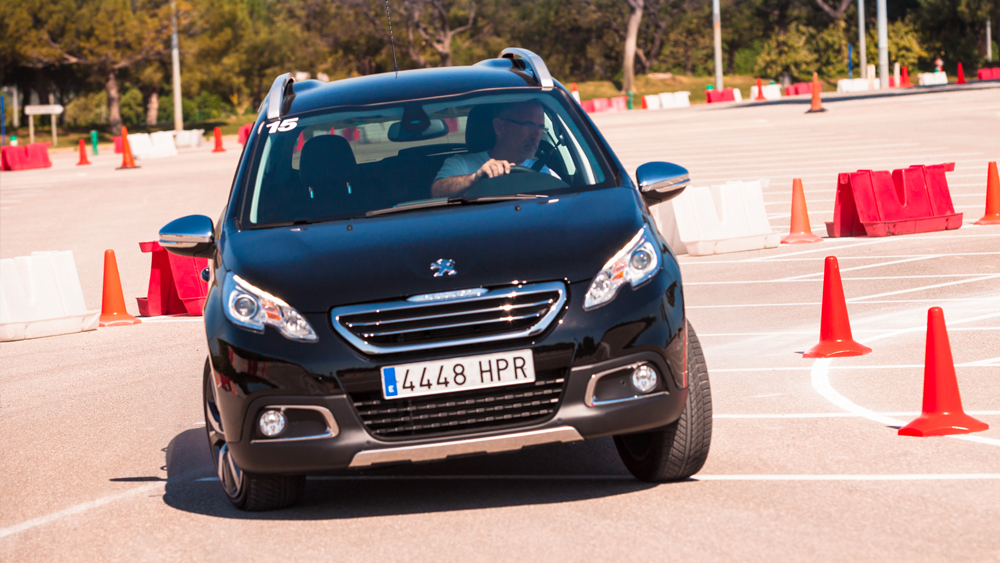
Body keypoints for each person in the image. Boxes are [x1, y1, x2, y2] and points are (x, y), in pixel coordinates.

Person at [431, 100, 557, 198]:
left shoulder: (544, 173)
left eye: (541, 127)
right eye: (528, 124)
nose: (537, 134)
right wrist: (475, 178)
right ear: (499, 127)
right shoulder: (462, 164)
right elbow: (437, 190)